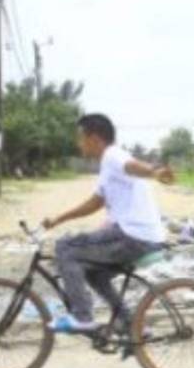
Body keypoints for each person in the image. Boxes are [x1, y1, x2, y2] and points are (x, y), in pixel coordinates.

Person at [42, 113, 174, 333]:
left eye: (80, 138)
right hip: (141, 237)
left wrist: (153, 171)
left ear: (94, 138)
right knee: (95, 273)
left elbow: (132, 166)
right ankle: (130, 324)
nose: (78, 144)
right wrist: (58, 219)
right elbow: (95, 203)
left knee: (65, 248)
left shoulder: (113, 155)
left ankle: (81, 317)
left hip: (133, 237)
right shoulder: (107, 164)